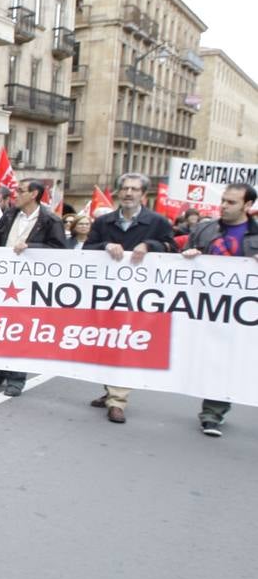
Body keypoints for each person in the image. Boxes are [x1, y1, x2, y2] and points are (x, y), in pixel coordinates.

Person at [84, 171, 177, 424]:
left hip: (138, 296)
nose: (128, 193)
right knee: (106, 344)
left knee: (125, 344)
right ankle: (109, 391)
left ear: (143, 195)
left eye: (134, 189)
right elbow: (87, 249)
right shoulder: (104, 223)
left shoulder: (157, 222)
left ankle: (117, 401)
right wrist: (105, 246)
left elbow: (171, 247)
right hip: (106, 293)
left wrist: (149, 245)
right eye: (125, 188)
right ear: (118, 192)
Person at [181, 182, 258, 437]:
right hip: (204, 307)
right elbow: (178, 262)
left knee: (230, 360)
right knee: (209, 357)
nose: (224, 206)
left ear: (248, 205)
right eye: (223, 200)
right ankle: (210, 408)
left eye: (231, 202)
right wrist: (191, 254)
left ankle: (214, 411)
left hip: (242, 312)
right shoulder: (205, 229)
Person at [0, 179, 68, 396]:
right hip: (3, 282)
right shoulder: (9, 215)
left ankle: (16, 379)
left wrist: (32, 247)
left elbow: (60, 250)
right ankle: (2, 369)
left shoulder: (50, 220)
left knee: (18, 329)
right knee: (0, 326)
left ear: (34, 194)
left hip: (28, 286)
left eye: (20, 191)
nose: (15, 194)